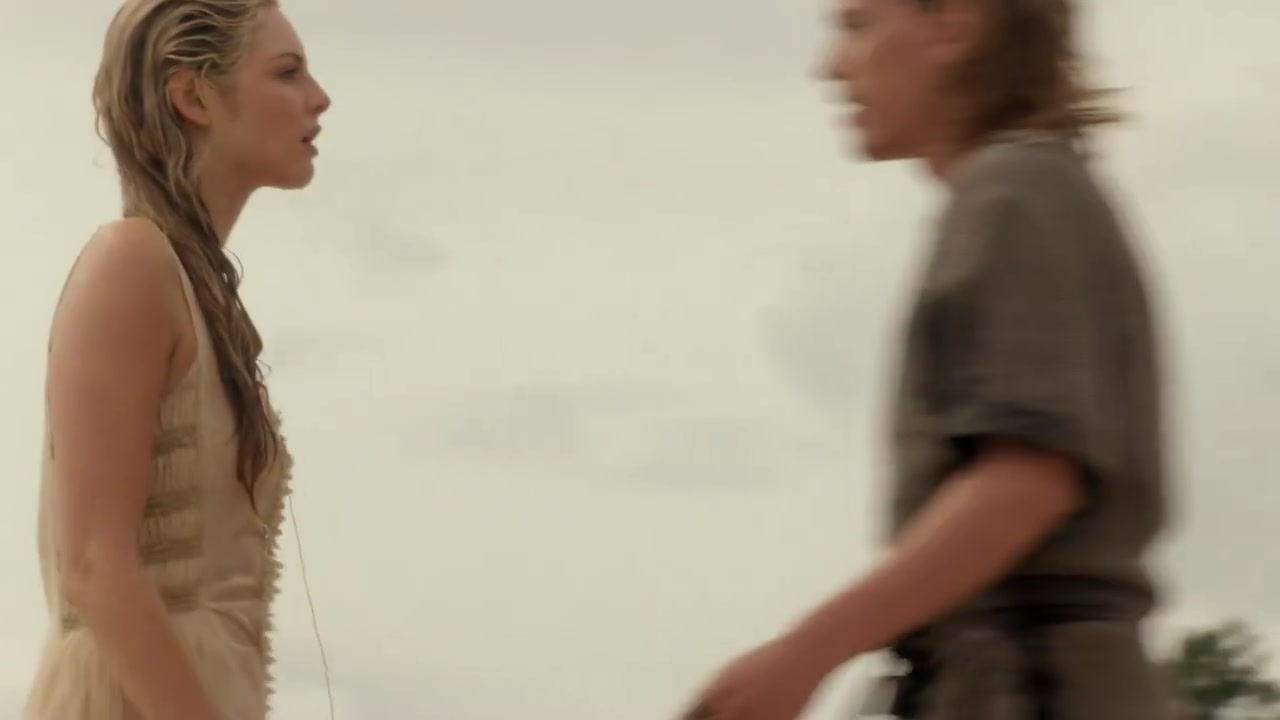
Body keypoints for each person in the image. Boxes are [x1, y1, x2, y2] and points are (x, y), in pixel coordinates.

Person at [679, 0, 1171, 718]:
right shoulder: (1022, 191)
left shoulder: (1015, 192)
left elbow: (1026, 482)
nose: (831, 66)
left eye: (858, 26)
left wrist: (805, 653)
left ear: (954, 26)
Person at [24, 1, 330, 718]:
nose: (319, 97)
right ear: (194, 96)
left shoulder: (192, 293)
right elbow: (94, 564)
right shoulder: (130, 262)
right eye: (287, 73)